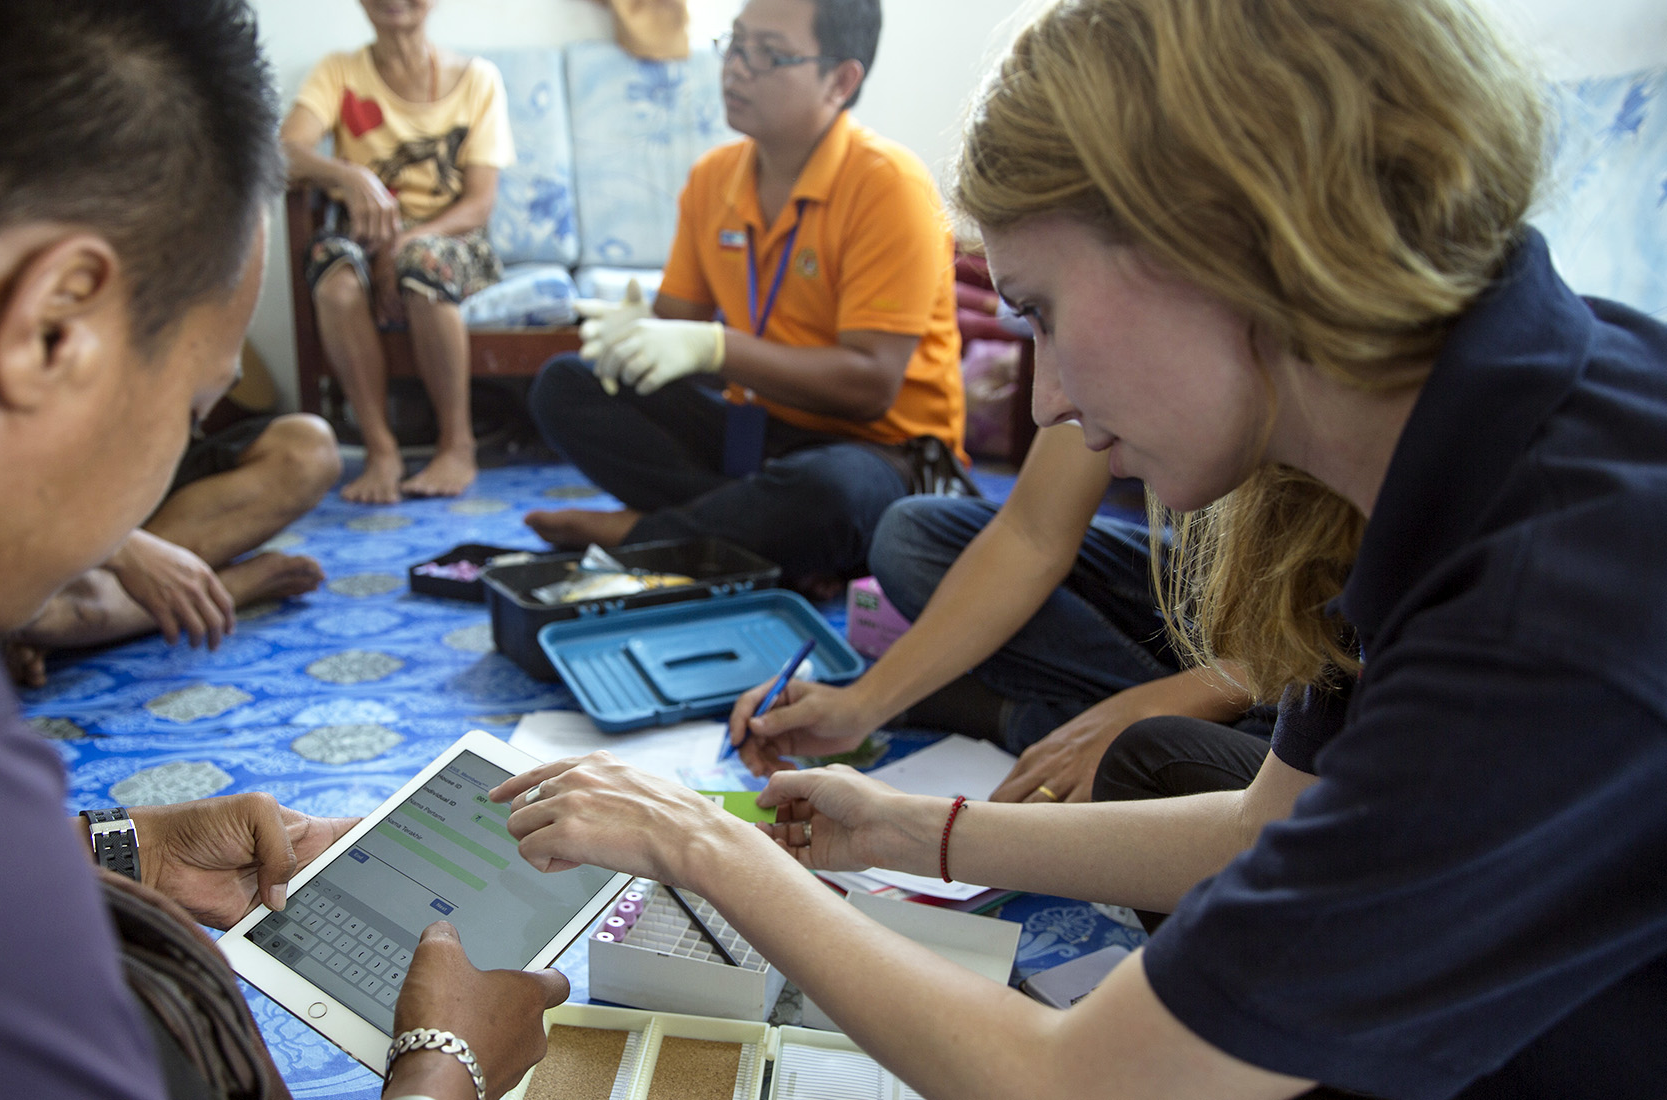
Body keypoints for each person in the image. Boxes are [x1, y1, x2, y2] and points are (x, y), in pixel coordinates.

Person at [489, 0, 1667, 1095]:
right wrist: (911, 828)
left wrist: (704, 847)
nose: (1044, 398)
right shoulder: (1472, 410)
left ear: (1226, 241)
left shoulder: (1547, 605)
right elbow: (1267, 824)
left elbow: (1080, 1080)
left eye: (1040, 311)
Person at [0, 3, 563, 1098]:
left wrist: (115, 851)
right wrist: (449, 1063)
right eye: (194, 409)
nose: (169, 469)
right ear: (57, 323)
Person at [523, 0, 964, 596]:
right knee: (566, 386)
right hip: (755, 434)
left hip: (883, 453)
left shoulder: (890, 187)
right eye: (734, 44)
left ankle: (646, 536)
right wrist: (638, 333)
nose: (736, 69)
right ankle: (754, 542)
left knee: (833, 493)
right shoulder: (713, 179)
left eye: (769, 55)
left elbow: (870, 386)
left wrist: (715, 347)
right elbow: (679, 331)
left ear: (841, 80)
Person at [729, 421, 1268, 803]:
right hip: (1228, 610)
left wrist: (1144, 712)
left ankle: (1005, 712)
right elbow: (1032, 533)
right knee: (910, 538)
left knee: (1280, 784)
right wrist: (862, 705)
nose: (1044, 406)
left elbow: (1334, 662)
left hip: (1319, 663)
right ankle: (1104, 728)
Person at [282, 0, 515, 504]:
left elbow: (480, 203)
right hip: (364, 234)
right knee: (334, 273)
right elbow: (284, 151)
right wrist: (349, 175)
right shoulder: (338, 72)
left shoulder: (478, 79)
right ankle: (380, 449)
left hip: (450, 237)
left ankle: (457, 443)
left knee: (420, 261)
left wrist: (407, 240)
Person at [5, 410, 342, 687]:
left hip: (142, 482)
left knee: (309, 450)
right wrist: (125, 547)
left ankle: (104, 609)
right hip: (39, 516)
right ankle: (223, 590)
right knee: (17, 605)